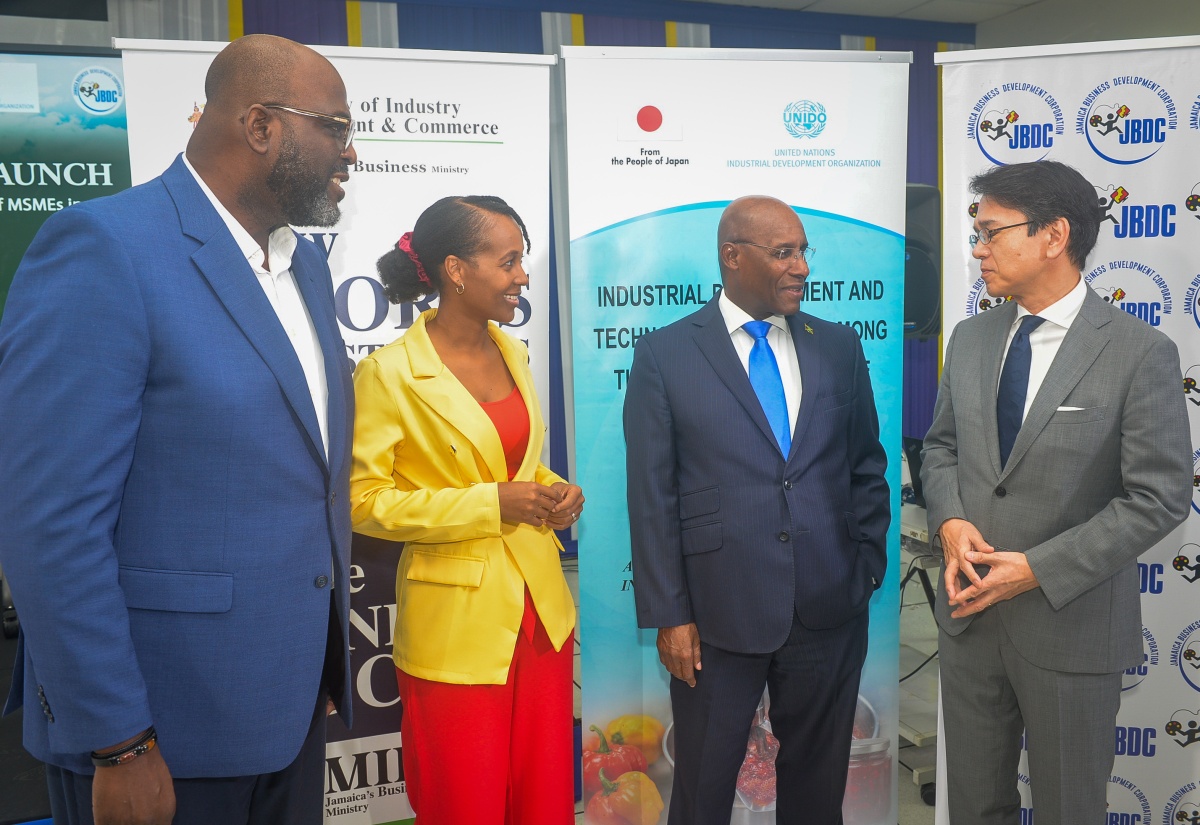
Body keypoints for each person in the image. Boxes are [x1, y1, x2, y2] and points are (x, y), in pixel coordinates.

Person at [0, 34, 357, 825]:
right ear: (259, 125)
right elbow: (49, 525)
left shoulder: (304, 264)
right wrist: (118, 741)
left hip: (286, 710)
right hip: (157, 735)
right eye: (333, 126)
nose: (351, 150)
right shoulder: (105, 249)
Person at [921, 160, 1192, 825]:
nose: (977, 248)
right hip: (970, 621)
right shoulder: (972, 337)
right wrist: (951, 521)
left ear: (1053, 235)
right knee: (974, 805)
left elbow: (1158, 495)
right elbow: (941, 448)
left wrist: (1037, 568)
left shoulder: (1138, 352)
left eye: (991, 231)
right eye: (975, 231)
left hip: (1071, 630)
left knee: (1071, 807)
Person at [623, 195, 889, 825]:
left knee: (818, 789)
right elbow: (652, 495)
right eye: (782, 253)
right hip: (716, 618)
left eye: (803, 251)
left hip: (828, 607)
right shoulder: (666, 354)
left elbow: (866, 467)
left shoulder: (838, 347)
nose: (801, 267)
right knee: (703, 790)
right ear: (732, 257)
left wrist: (866, 569)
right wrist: (670, 614)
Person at [350, 195, 583, 825]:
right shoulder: (389, 375)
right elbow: (362, 504)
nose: (523, 276)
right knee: (465, 805)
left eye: (522, 261)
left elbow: (515, 464)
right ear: (456, 269)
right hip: (457, 629)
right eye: (509, 262)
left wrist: (554, 490)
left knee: (543, 803)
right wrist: (489, 505)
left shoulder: (514, 352)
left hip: (540, 617)